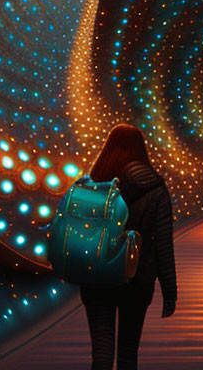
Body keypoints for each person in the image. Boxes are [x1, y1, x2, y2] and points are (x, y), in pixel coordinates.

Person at [81, 124, 177, 370]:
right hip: (137, 279)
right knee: (127, 354)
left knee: (101, 353)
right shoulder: (155, 189)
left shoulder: (94, 184)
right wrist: (170, 290)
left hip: (97, 276)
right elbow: (163, 243)